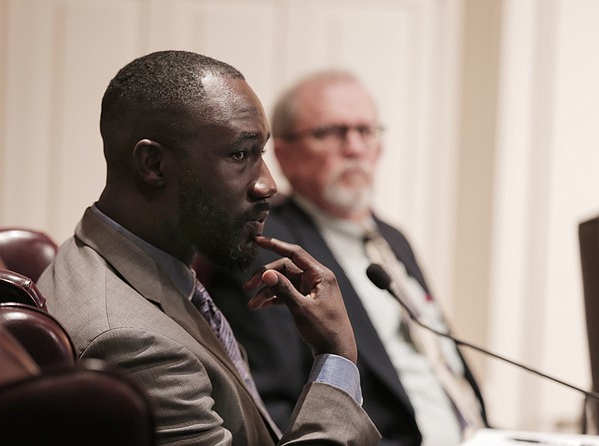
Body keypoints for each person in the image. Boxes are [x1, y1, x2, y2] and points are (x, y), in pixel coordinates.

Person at [37, 51, 379, 445]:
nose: (267, 184)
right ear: (153, 164)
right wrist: (336, 356)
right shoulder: (132, 342)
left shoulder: (126, 264)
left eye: (261, 153)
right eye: (239, 154)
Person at [201, 71, 488, 446]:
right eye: (330, 133)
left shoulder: (392, 238)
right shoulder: (263, 248)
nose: (354, 147)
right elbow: (272, 413)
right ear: (284, 154)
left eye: (365, 131)